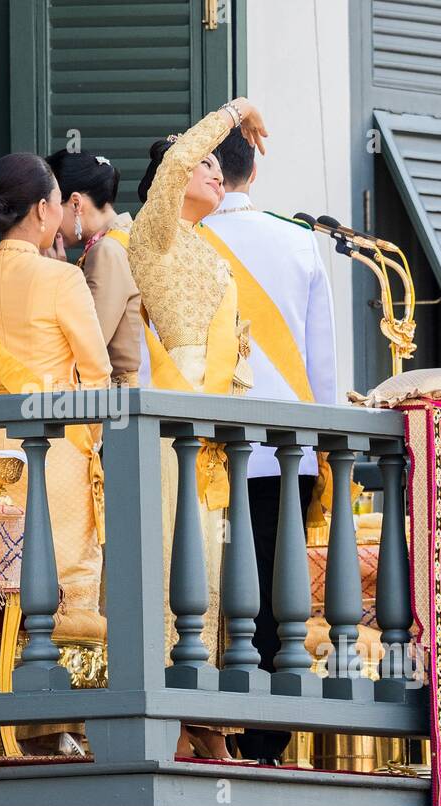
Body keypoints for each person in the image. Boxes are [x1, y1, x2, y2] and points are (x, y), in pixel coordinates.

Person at [0, 153, 113, 756]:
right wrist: (93, 446)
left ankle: (1, 724)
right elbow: (96, 376)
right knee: (66, 578)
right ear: (44, 209)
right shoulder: (64, 280)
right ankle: (60, 723)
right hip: (57, 450)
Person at [128, 97, 268, 761]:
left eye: (222, 165)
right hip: (169, 423)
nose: (216, 173)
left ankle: (205, 718)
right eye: (205, 165)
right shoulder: (152, 236)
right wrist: (234, 113)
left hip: (209, 429)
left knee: (209, 575)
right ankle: (173, 722)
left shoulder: (206, 249)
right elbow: (182, 154)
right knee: (172, 569)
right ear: (169, 181)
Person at [205, 126, 337, 764]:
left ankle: (214, 720)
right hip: (288, 449)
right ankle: (269, 736)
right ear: (253, 172)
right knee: (277, 597)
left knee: (213, 585)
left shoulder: (192, 242)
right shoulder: (299, 241)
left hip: (207, 446)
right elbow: (324, 369)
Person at [46, 150, 142, 386]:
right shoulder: (125, 237)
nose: (47, 218)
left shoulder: (107, 250)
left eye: (51, 206)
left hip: (121, 402)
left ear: (76, 203)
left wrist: (57, 278)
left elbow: (89, 345)